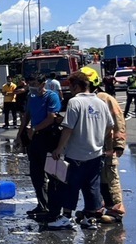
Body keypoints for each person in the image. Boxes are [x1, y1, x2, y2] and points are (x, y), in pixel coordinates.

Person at [48, 71, 113, 230]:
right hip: (95, 153)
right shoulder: (101, 103)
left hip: (76, 153)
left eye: (70, 86)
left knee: (70, 185)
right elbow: (110, 126)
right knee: (92, 186)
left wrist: (59, 148)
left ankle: (66, 217)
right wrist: (97, 139)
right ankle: (90, 219)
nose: (70, 89)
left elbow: (68, 128)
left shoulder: (75, 102)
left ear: (76, 86)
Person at [81, 66, 127, 222]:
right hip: (90, 146)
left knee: (110, 177)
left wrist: (118, 144)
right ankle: (97, 207)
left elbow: (118, 121)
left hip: (107, 146)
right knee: (94, 179)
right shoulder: (81, 100)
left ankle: (115, 210)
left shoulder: (105, 98)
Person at [16, 74, 63, 219]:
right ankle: (42, 204)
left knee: (51, 173)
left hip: (48, 137)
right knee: (36, 174)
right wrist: (19, 134)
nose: (32, 86)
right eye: (30, 83)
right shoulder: (32, 97)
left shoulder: (51, 97)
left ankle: (55, 208)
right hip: (34, 138)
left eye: (35, 83)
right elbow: (27, 115)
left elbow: (51, 118)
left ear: (43, 84)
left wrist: (35, 128)